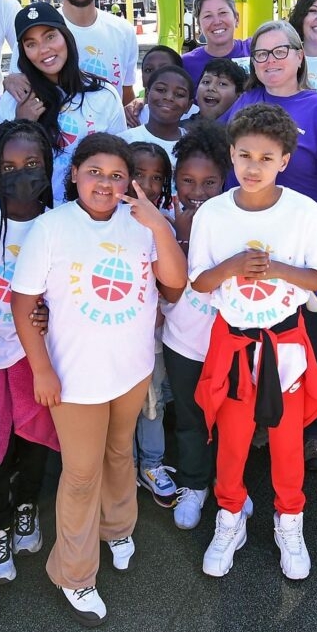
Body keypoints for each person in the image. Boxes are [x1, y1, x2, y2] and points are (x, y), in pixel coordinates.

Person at [10, 134, 186, 625]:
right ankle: (74, 572)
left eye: (116, 175)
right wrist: (41, 369)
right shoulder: (51, 228)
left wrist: (159, 226)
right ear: (73, 175)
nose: (105, 184)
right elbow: (23, 305)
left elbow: (175, 284)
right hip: (74, 378)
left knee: (118, 452)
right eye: (94, 172)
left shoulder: (143, 224)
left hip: (130, 369)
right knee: (82, 474)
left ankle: (118, 527)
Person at [188, 104, 317, 578]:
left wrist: (275, 268)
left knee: (288, 441)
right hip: (233, 341)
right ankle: (230, 515)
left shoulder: (303, 211)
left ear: (285, 161)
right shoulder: (213, 213)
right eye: (245, 155)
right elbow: (199, 282)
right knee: (231, 440)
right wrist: (232, 266)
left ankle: (289, 519)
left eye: (266, 158)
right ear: (231, 154)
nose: (254, 167)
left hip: (284, 343)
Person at [222, 20, 317, 470]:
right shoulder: (246, 102)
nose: (269, 62)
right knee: (264, 333)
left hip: (308, 242)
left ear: (300, 55)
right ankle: (266, 418)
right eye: (260, 54)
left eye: (279, 52)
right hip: (254, 240)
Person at [0, 121, 58, 587]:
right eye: (8, 167)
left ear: (48, 166)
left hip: (39, 356)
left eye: (32, 165)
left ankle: (27, 511)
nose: (21, 173)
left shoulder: (59, 222)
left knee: (36, 442)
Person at [161, 121, 230, 530]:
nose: (197, 191)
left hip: (227, 342)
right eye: (187, 180)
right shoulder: (164, 222)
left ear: (225, 181)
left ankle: (229, 484)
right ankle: (193, 482)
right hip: (183, 340)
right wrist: (182, 238)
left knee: (231, 419)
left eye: (209, 182)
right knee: (190, 416)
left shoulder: (235, 221)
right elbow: (170, 290)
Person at [0, 3, 126, 204]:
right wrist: (22, 125)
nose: (44, 50)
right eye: (31, 44)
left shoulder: (104, 95)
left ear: (66, 36)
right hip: (34, 215)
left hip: (90, 214)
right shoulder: (15, 98)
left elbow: (119, 161)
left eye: (50, 36)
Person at [7, 0, 138, 105]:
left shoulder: (124, 31)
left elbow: (126, 96)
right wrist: (8, 80)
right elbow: (17, 89)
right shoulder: (36, 32)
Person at [129, 142, 177, 507]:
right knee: (118, 408)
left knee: (152, 403)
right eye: (137, 175)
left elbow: (169, 286)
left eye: (155, 178)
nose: (145, 185)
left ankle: (151, 464)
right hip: (110, 339)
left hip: (152, 339)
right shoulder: (103, 222)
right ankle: (123, 467)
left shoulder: (163, 227)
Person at [120, 66, 194, 166]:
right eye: (161, 89)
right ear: (147, 94)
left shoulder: (194, 145)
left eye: (179, 94)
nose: (169, 97)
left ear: (188, 106)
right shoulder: (125, 141)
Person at [183, 0, 252, 91]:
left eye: (222, 13)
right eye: (208, 16)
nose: (217, 22)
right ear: (199, 25)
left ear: (236, 18)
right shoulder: (186, 63)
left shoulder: (256, 50)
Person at [124, 45, 184, 127]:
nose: (156, 75)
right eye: (149, 70)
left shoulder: (194, 114)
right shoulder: (132, 116)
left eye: (164, 69)